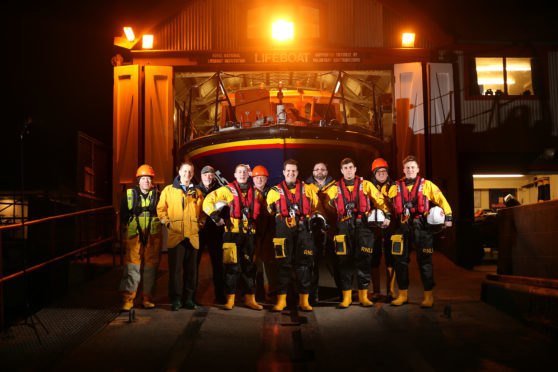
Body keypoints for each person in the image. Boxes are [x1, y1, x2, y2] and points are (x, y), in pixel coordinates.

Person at [388, 155, 452, 308]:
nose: (410, 170)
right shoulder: (394, 187)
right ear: (403, 170)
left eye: (413, 167)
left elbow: (442, 200)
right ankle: (402, 295)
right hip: (402, 226)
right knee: (400, 262)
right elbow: (386, 205)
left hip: (421, 226)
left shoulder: (427, 185)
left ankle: (428, 296)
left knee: (425, 262)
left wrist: (448, 217)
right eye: (407, 168)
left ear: (418, 169)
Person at [326, 158, 390, 308]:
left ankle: (363, 296)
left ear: (355, 169)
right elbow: (326, 207)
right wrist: (332, 210)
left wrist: (386, 215)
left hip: (364, 228)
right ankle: (346, 297)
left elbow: (379, 200)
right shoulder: (334, 188)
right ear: (341, 171)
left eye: (350, 167)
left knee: (364, 261)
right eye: (345, 168)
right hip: (343, 228)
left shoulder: (366, 185)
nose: (348, 170)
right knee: (344, 262)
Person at [203, 164, 262, 311]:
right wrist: (216, 217)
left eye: (244, 172)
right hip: (231, 234)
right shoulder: (226, 190)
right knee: (231, 268)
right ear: (234, 175)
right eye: (239, 172)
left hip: (249, 235)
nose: (242, 174)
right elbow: (207, 202)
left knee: (249, 267)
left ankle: (250, 299)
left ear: (248, 175)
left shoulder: (256, 193)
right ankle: (230, 299)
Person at [266, 159, 320, 312]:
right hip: (283, 232)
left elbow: (316, 206)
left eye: (294, 171)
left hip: (303, 231)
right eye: (288, 171)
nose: (291, 173)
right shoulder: (274, 191)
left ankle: (304, 300)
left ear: (297, 172)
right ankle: (281, 300)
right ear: (283, 172)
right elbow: (269, 211)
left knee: (303, 266)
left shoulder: (308, 189)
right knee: (283, 265)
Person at [157, 161, 205, 311]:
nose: (187, 174)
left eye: (190, 172)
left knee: (191, 271)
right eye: (184, 171)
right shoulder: (168, 190)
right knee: (175, 271)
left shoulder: (197, 193)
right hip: (176, 237)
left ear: (192, 174)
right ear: (179, 171)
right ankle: (176, 299)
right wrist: (168, 223)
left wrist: (199, 225)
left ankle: (189, 299)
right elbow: (161, 210)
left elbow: (203, 212)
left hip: (192, 237)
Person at [119, 164, 163, 311]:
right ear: (138, 180)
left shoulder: (158, 195)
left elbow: (163, 213)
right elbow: (123, 215)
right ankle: (128, 299)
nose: (146, 181)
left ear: (152, 181)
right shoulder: (129, 195)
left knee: (151, 267)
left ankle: (147, 298)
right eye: (143, 178)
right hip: (134, 237)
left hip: (153, 236)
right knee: (132, 267)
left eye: (149, 179)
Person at [305, 162, 338, 304]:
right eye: (316, 169)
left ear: (327, 171)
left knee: (337, 263)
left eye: (322, 169)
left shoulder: (336, 187)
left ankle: (343, 293)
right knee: (312, 264)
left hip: (333, 230)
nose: (319, 171)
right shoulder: (305, 187)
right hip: (314, 231)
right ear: (312, 172)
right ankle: (313, 295)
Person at [196, 165, 226, 304]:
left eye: (210, 174)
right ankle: (191, 297)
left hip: (215, 232)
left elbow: (225, 210)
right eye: (205, 174)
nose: (208, 176)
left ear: (214, 176)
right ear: (201, 176)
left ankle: (220, 296)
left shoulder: (220, 191)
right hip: (199, 232)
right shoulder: (195, 191)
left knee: (218, 265)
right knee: (193, 265)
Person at [370, 158, 397, 300]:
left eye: (384, 171)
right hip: (374, 229)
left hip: (390, 228)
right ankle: (376, 291)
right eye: (378, 171)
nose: (381, 174)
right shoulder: (368, 187)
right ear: (373, 173)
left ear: (387, 172)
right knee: (374, 259)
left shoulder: (394, 187)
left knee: (390, 258)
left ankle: (390, 291)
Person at [252, 165, 277, 302]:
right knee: (252, 262)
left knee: (270, 263)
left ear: (267, 178)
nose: (259, 179)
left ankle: (270, 292)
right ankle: (253, 292)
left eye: (262, 177)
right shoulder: (249, 193)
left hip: (269, 233)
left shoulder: (274, 192)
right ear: (253, 179)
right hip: (254, 232)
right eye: (256, 177)